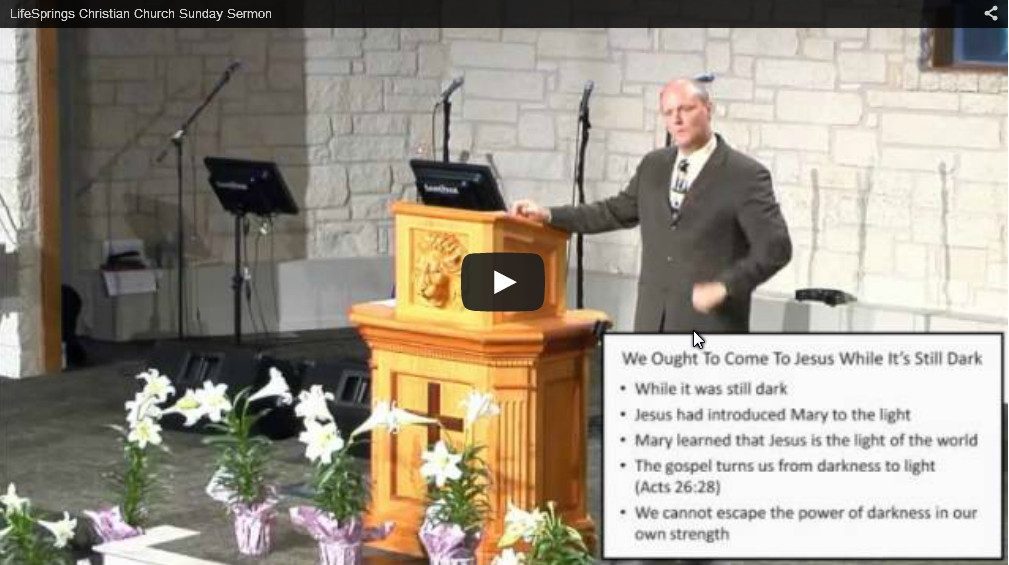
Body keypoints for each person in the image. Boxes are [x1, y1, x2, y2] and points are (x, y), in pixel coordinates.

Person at [510, 78, 792, 333]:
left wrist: (725, 286)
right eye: (669, 113)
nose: (677, 120)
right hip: (651, 324)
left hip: (705, 331)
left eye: (686, 109)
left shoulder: (744, 174)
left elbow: (776, 248)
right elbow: (614, 211)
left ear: (708, 108)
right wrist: (549, 214)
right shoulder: (653, 166)